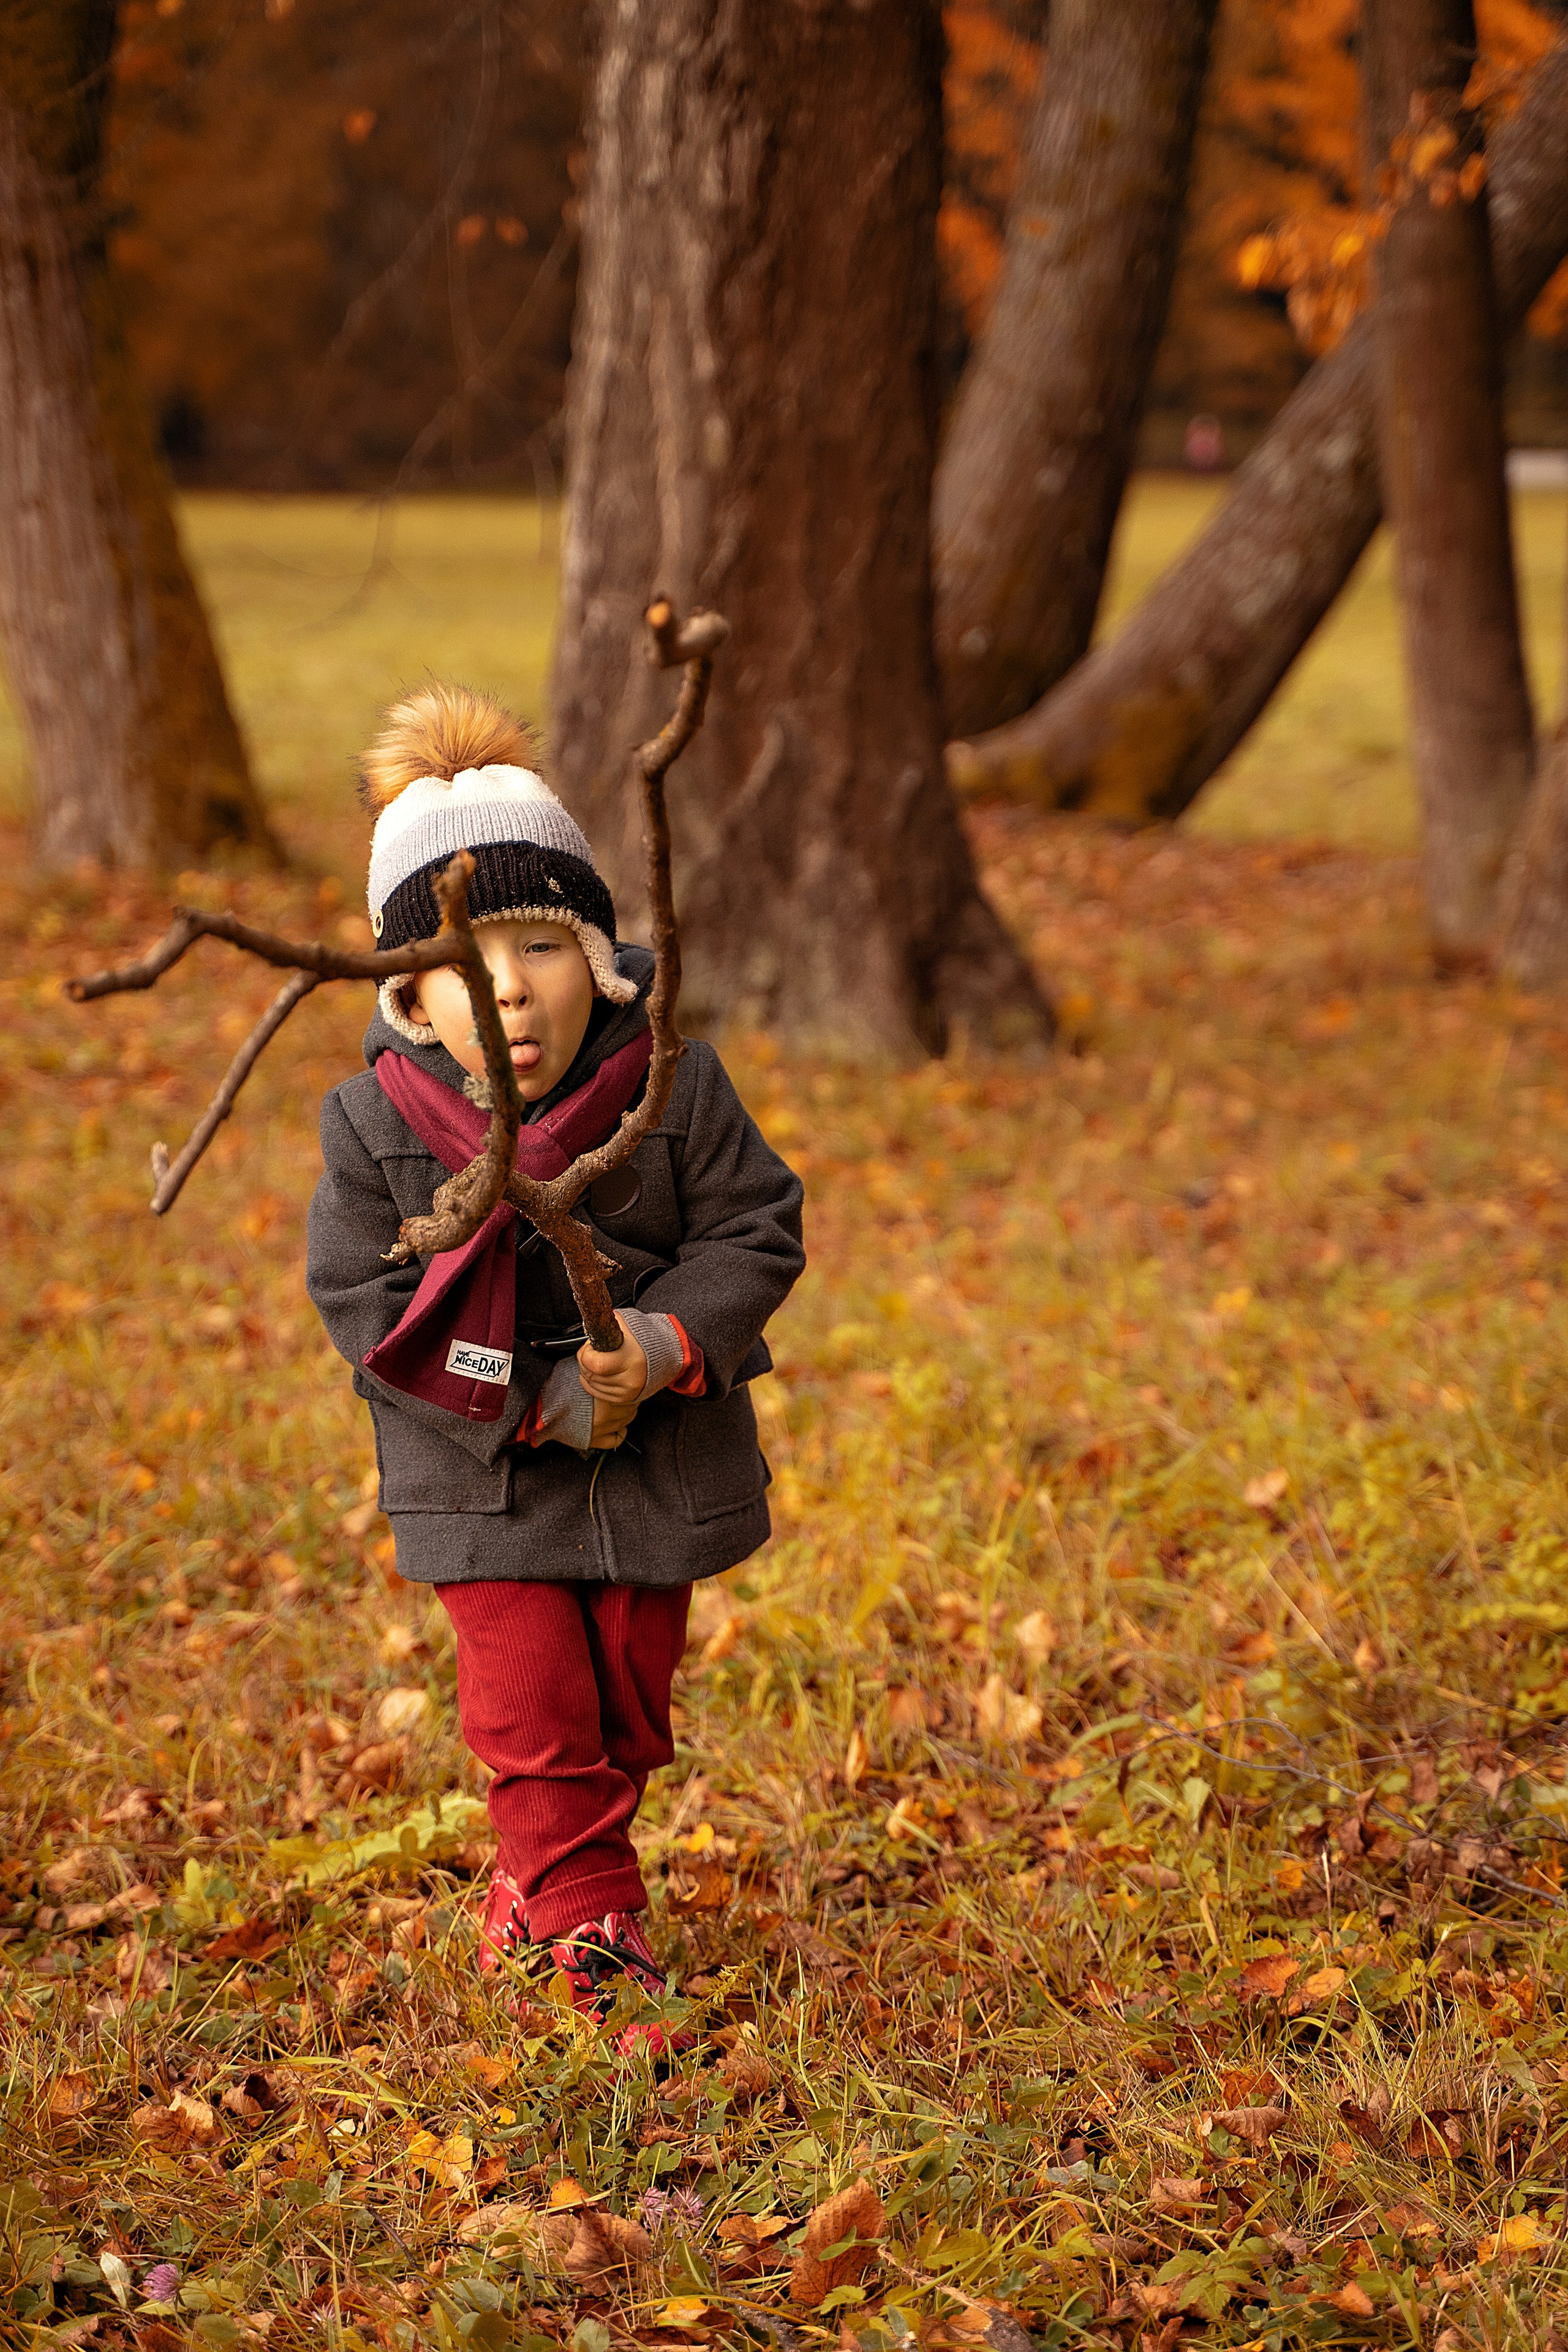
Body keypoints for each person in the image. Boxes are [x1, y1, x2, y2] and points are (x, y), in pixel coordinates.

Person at [306, 684, 804, 2052]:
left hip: (653, 1456)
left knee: (625, 1711)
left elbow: (756, 1226)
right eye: (467, 965)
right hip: (482, 1472)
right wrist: (516, 1398)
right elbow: (360, 1293)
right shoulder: (371, 1124)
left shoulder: (673, 1089)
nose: (511, 988)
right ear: (411, 996)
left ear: (604, 960)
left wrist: (661, 1342)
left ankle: (534, 1884)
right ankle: (593, 1933)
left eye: (542, 946)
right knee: (533, 1710)